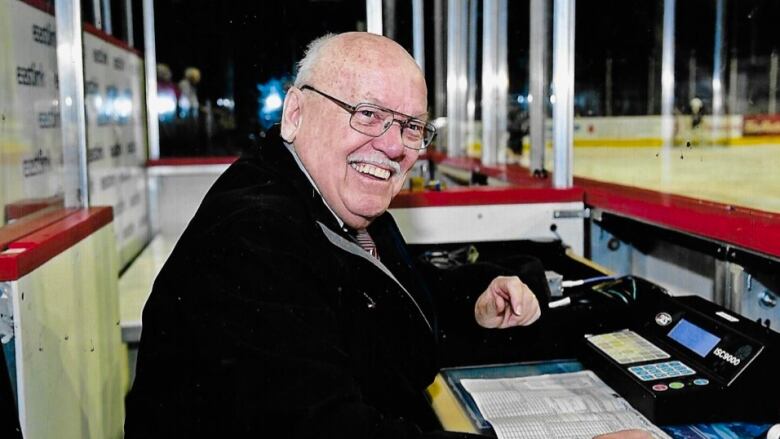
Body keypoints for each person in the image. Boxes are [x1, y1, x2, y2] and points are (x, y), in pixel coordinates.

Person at [124, 32, 649, 439]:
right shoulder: (251, 237)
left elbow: (376, 292)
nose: (395, 146)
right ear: (295, 114)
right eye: (368, 114)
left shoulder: (329, 203)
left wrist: (475, 298)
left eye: (412, 126)